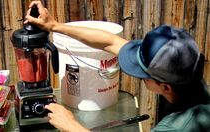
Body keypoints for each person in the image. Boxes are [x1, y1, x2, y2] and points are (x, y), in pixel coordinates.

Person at [24, 1, 210, 132]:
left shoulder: (177, 127)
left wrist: (71, 126)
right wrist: (55, 25)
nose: (137, 74)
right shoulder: (186, 75)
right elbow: (110, 42)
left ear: (165, 87)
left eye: (141, 73)